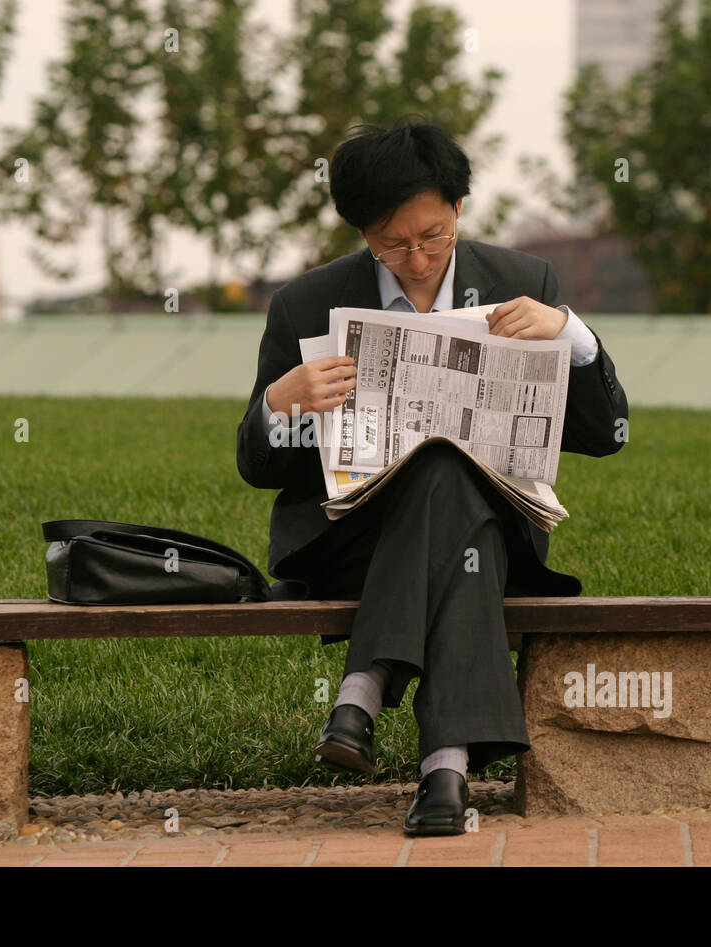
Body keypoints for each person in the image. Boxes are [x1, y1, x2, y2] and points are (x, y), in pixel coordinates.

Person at [234, 119, 629, 835]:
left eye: (434, 236)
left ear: (458, 211)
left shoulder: (523, 285)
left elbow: (606, 437)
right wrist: (279, 405)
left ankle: (364, 690)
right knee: (450, 496)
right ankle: (445, 771)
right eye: (394, 244)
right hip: (352, 537)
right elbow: (259, 470)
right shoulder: (306, 303)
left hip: (487, 533)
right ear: (363, 233)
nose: (417, 259)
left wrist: (573, 336)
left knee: (448, 471)